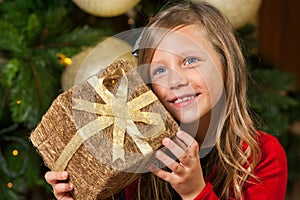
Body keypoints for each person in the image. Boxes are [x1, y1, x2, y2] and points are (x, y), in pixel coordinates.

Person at [45, 1, 288, 199]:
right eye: (159, 71)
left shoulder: (262, 156)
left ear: (225, 64)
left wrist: (195, 193)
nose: (175, 81)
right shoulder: (134, 158)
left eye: (190, 60)